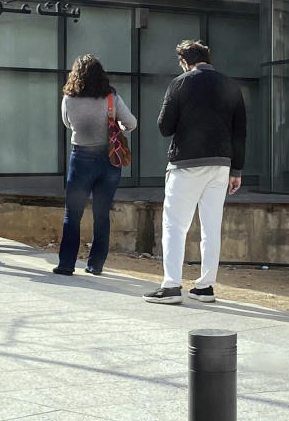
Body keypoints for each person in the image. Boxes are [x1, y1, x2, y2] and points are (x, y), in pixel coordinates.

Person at [143, 40, 246, 305]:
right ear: (207, 58)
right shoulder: (230, 85)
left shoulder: (180, 83)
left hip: (186, 163)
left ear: (184, 62)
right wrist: (237, 169)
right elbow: (240, 131)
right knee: (211, 227)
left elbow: (164, 127)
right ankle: (205, 287)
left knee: (175, 225)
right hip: (221, 164)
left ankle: (171, 286)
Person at [53, 55, 137, 276]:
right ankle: (95, 265)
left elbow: (67, 123)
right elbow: (132, 123)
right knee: (101, 214)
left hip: (81, 159)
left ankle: (66, 265)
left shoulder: (69, 99)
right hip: (109, 161)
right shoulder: (111, 97)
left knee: (72, 214)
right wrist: (115, 125)